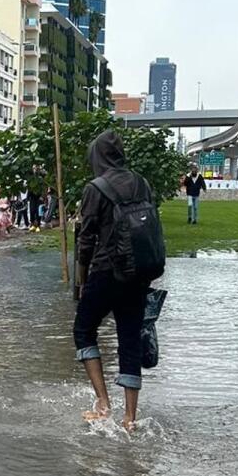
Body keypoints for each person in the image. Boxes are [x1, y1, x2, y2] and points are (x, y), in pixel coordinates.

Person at [74, 131, 166, 431]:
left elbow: (86, 240)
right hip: (138, 273)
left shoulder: (95, 188)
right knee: (129, 340)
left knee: (84, 330)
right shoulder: (143, 183)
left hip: (106, 271)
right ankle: (130, 418)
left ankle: (102, 403)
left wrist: (80, 281)